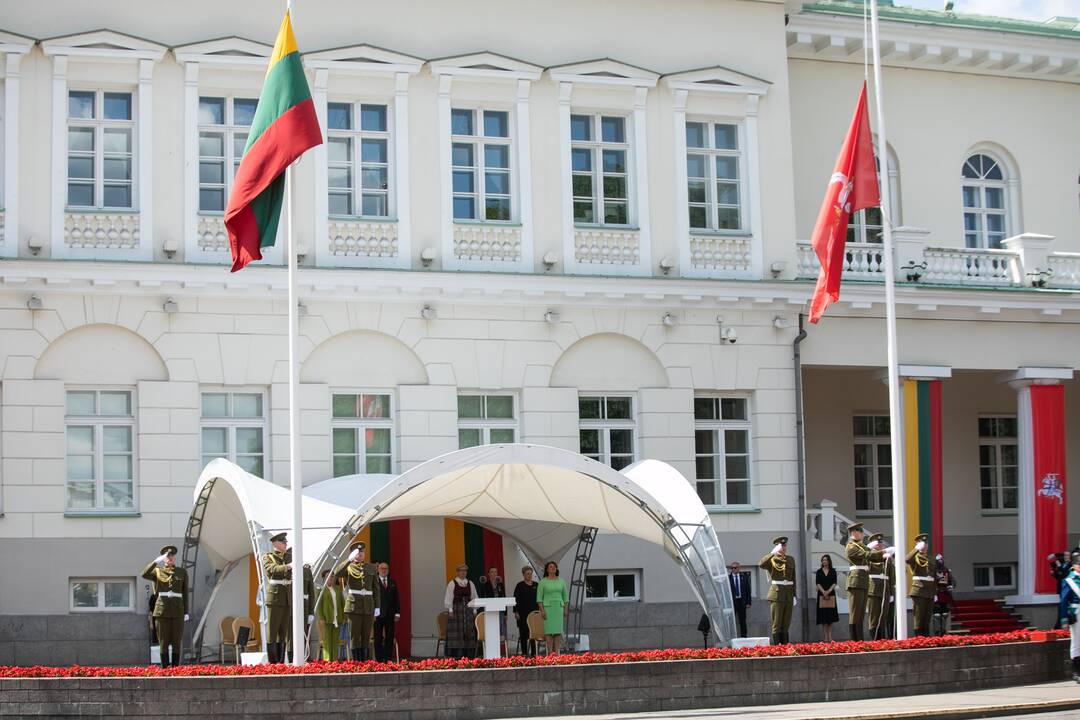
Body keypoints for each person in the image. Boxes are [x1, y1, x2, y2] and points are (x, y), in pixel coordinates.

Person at [141, 544, 189, 668]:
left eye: (172, 555)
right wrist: (155, 562)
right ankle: (165, 669)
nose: (170, 557)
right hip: (161, 611)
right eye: (167, 556)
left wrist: (186, 612)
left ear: (175, 557)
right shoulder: (157, 571)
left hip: (178, 611)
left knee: (177, 642)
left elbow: (185, 593)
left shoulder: (182, 572)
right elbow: (144, 574)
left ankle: (176, 670)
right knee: (164, 642)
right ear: (164, 558)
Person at [334, 540, 379, 661]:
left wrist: (377, 606)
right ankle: (356, 662)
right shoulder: (349, 566)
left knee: (366, 636)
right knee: (355, 637)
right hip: (353, 607)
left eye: (362, 552)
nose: (360, 554)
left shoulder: (371, 567)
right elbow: (337, 573)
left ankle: (364, 661)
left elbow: (376, 589)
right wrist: (348, 560)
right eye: (357, 553)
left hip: (368, 606)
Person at [844, 522, 889, 641]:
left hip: (863, 582)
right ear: (854, 532)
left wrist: (885, 553)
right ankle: (855, 641)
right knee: (855, 614)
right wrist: (883, 552)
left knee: (861, 614)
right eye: (860, 531)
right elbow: (867, 554)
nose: (862, 534)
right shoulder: (851, 546)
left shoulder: (860, 545)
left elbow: (871, 553)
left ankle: (860, 640)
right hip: (855, 582)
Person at [261, 531, 293, 663]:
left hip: (286, 597)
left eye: (286, 542)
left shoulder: (288, 556)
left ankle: (280, 662)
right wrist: (287, 567)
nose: (286, 544)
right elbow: (272, 569)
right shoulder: (268, 557)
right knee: (272, 631)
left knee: (283, 632)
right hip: (274, 597)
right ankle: (273, 662)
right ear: (275, 543)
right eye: (283, 542)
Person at [758, 535, 796, 645]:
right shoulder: (772, 559)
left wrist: (794, 595)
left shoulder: (790, 559)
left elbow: (794, 578)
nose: (783, 548)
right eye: (781, 546)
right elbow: (761, 564)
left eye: (784, 546)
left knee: (786, 624)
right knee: (777, 624)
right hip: (777, 594)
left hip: (788, 594)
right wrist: (772, 553)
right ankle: (777, 649)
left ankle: (785, 647)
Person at [906, 533, 938, 637]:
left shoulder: (932, 559)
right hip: (919, 591)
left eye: (926, 543)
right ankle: (918, 639)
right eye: (922, 543)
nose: (925, 545)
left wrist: (935, 592)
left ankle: (926, 639)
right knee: (919, 618)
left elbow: (934, 577)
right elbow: (907, 559)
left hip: (929, 592)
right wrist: (916, 549)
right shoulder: (915, 557)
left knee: (927, 618)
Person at [443, 563, 478, 658]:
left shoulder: (470, 583)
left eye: (465, 571)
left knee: (468, 631)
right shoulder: (452, 583)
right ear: (457, 572)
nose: (463, 573)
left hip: (468, 611)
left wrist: (474, 610)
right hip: (456, 611)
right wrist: (450, 610)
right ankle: (456, 654)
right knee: (457, 632)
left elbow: (474, 597)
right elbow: (449, 597)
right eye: (461, 571)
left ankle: (469, 654)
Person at [536, 561, 569, 654]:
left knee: (558, 631)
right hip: (548, 608)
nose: (553, 568)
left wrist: (565, 609)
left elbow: (565, 597)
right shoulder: (543, 582)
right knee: (549, 631)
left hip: (558, 608)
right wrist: (542, 611)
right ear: (547, 569)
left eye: (554, 566)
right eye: (550, 566)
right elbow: (539, 598)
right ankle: (550, 652)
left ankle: (557, 652)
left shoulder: (561, 581)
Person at [1058, 550, 1080, 683]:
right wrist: (1064, 619)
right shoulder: (1069, 580)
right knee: (1077, 642)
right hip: (1077, 613)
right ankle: (1077, 671)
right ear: (1074, 565)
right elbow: (1064, 601)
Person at [866, 533, 891, 640]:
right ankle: (874, 640)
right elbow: (864, 559)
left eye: (880, 543)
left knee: (883, 617)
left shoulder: (886, 558)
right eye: (877, 543)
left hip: (885, 590)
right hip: (873, 590)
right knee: (874, 618)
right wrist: (868, 548)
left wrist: (892, 593)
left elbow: (891, 575)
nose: (879, 545)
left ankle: (882, 640)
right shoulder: (869, 557)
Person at [373, 561, 401, 662]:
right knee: (378, 639)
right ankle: (379, 660)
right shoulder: (374, 582)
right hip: (378, 615)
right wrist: (373, 613)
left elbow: (396, 599)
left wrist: (397, 613)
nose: (384, 570)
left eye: (386, 569)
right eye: (382, 568)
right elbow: (371, 598)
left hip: (390, 615)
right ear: (378, 570)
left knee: (389, 638)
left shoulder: (392, 582)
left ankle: (388, 660)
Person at [315, 569, 345, 661]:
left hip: (337, 619)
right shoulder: (320, 589)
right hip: (326, 619)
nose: (331, 578)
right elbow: (318, 605)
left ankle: (335, 661)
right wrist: (321, 618)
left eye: (332, 576)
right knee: (327, 642)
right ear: (324, 578)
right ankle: (327, 661)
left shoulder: (337, 588)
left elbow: (342, 603)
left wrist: (344, 616)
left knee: (335, 641)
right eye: (328, 576)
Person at [512, 566, 539, 655]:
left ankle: (534, 654)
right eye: (527, 574)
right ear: (523, 574)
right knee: (523, 634)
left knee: (533, 634)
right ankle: (524, 653)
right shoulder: (519, 585)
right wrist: (516, 612)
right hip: (522, 614)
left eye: (530, 574)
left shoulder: (536, 585)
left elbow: (539, 599)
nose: (529, 575)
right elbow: (515, 599)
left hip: (534, 614)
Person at [815, 554, 839, 641]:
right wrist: (824, 592)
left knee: (830, 617)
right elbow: (817, 583)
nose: (824, 561)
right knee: (823, 617)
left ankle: (830, 636)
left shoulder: (833, 571)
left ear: (829, 561)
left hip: (831, 594)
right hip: (821, 595)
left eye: (826, 560)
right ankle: (825, 637)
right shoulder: (819, 571)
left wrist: (828, 591)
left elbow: (834, 582)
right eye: (823, 560)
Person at [934, 554, 955, 636]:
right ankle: (937, 633)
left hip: (945, 594)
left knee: (945, 614)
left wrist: (952, 586)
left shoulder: (946, 570)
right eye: (939, 560)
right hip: (936, 595)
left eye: (941, 559)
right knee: (936, 615)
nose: (940, 561)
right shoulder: (933, 570)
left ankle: (943, 632)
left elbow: (952, 580)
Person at [729, 562, 750, 638]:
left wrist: (748, 602)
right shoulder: (728, 578)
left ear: (739, 568)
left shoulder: (744, 577)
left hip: (742, 601)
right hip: (732, 602)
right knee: (731, 621)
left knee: (742, 621)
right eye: (732, 568)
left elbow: (748, 591)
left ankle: (744, 636)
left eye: (735, 568)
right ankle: (731, 637)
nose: (733, 569)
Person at [1051, 552, 1070, 629]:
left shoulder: (1071, 565)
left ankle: (1061, 625)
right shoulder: (1063, 564)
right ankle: (1059, 625)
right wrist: (1054, 574)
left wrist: (1059, 566)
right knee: (1061, 606)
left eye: (1067, 555)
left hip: (1068, 589)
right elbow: (1059, 576)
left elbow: (1066, 574)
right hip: (1061, 588)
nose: (1066, 557)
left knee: (1064, 607)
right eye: (1065, 555)